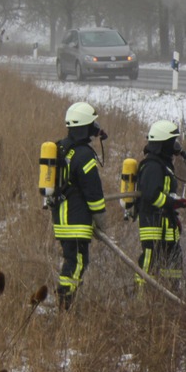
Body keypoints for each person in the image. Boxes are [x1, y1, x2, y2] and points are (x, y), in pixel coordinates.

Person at [50, 102, 109, 310]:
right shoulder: (84, 155)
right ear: (85, 125)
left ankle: (66, 300)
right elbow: (93, 192)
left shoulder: (61, 147)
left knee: (72, 260)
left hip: (61, 218)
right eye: (93, 123)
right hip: (76, 221)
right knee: (76, 263)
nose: (96, 127)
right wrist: (101, 219)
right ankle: (64, 303)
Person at [132, 120, 186, 291]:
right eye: (172, 142)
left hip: (167, 224)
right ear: (163, 144)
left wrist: (174, 203)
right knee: (150, 259)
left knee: (174, 259)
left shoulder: (163, 165)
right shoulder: (152, 166)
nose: (175, 146)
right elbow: (151, 195)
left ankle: (171, 293)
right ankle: (140, 298)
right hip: (152, 223)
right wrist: (172, 202)